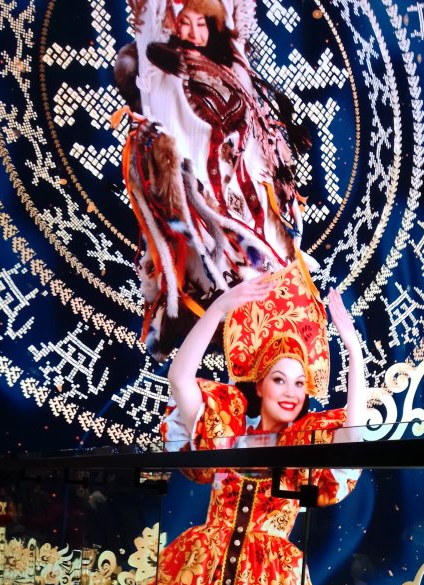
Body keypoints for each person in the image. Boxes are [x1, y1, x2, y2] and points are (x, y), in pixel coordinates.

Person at [101, 261, 366, 585]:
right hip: (203, 564)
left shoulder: (305, 443)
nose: (291, 390)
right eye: (279, 379)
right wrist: (220, 308)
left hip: (270, 582)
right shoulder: (227, 426)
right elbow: (180, 377)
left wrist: (353, 352)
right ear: (260, 384)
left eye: (300, 382)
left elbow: (353, 436)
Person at [113, 0, 308, 354]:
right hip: (198, 187)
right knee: (207, 261)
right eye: (185, 23)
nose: (193, 32)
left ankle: (265, 320)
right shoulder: (160, 64)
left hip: (240, 180)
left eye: (201, 23)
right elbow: (147, 28)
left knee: (266, 256)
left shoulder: (229, 63)